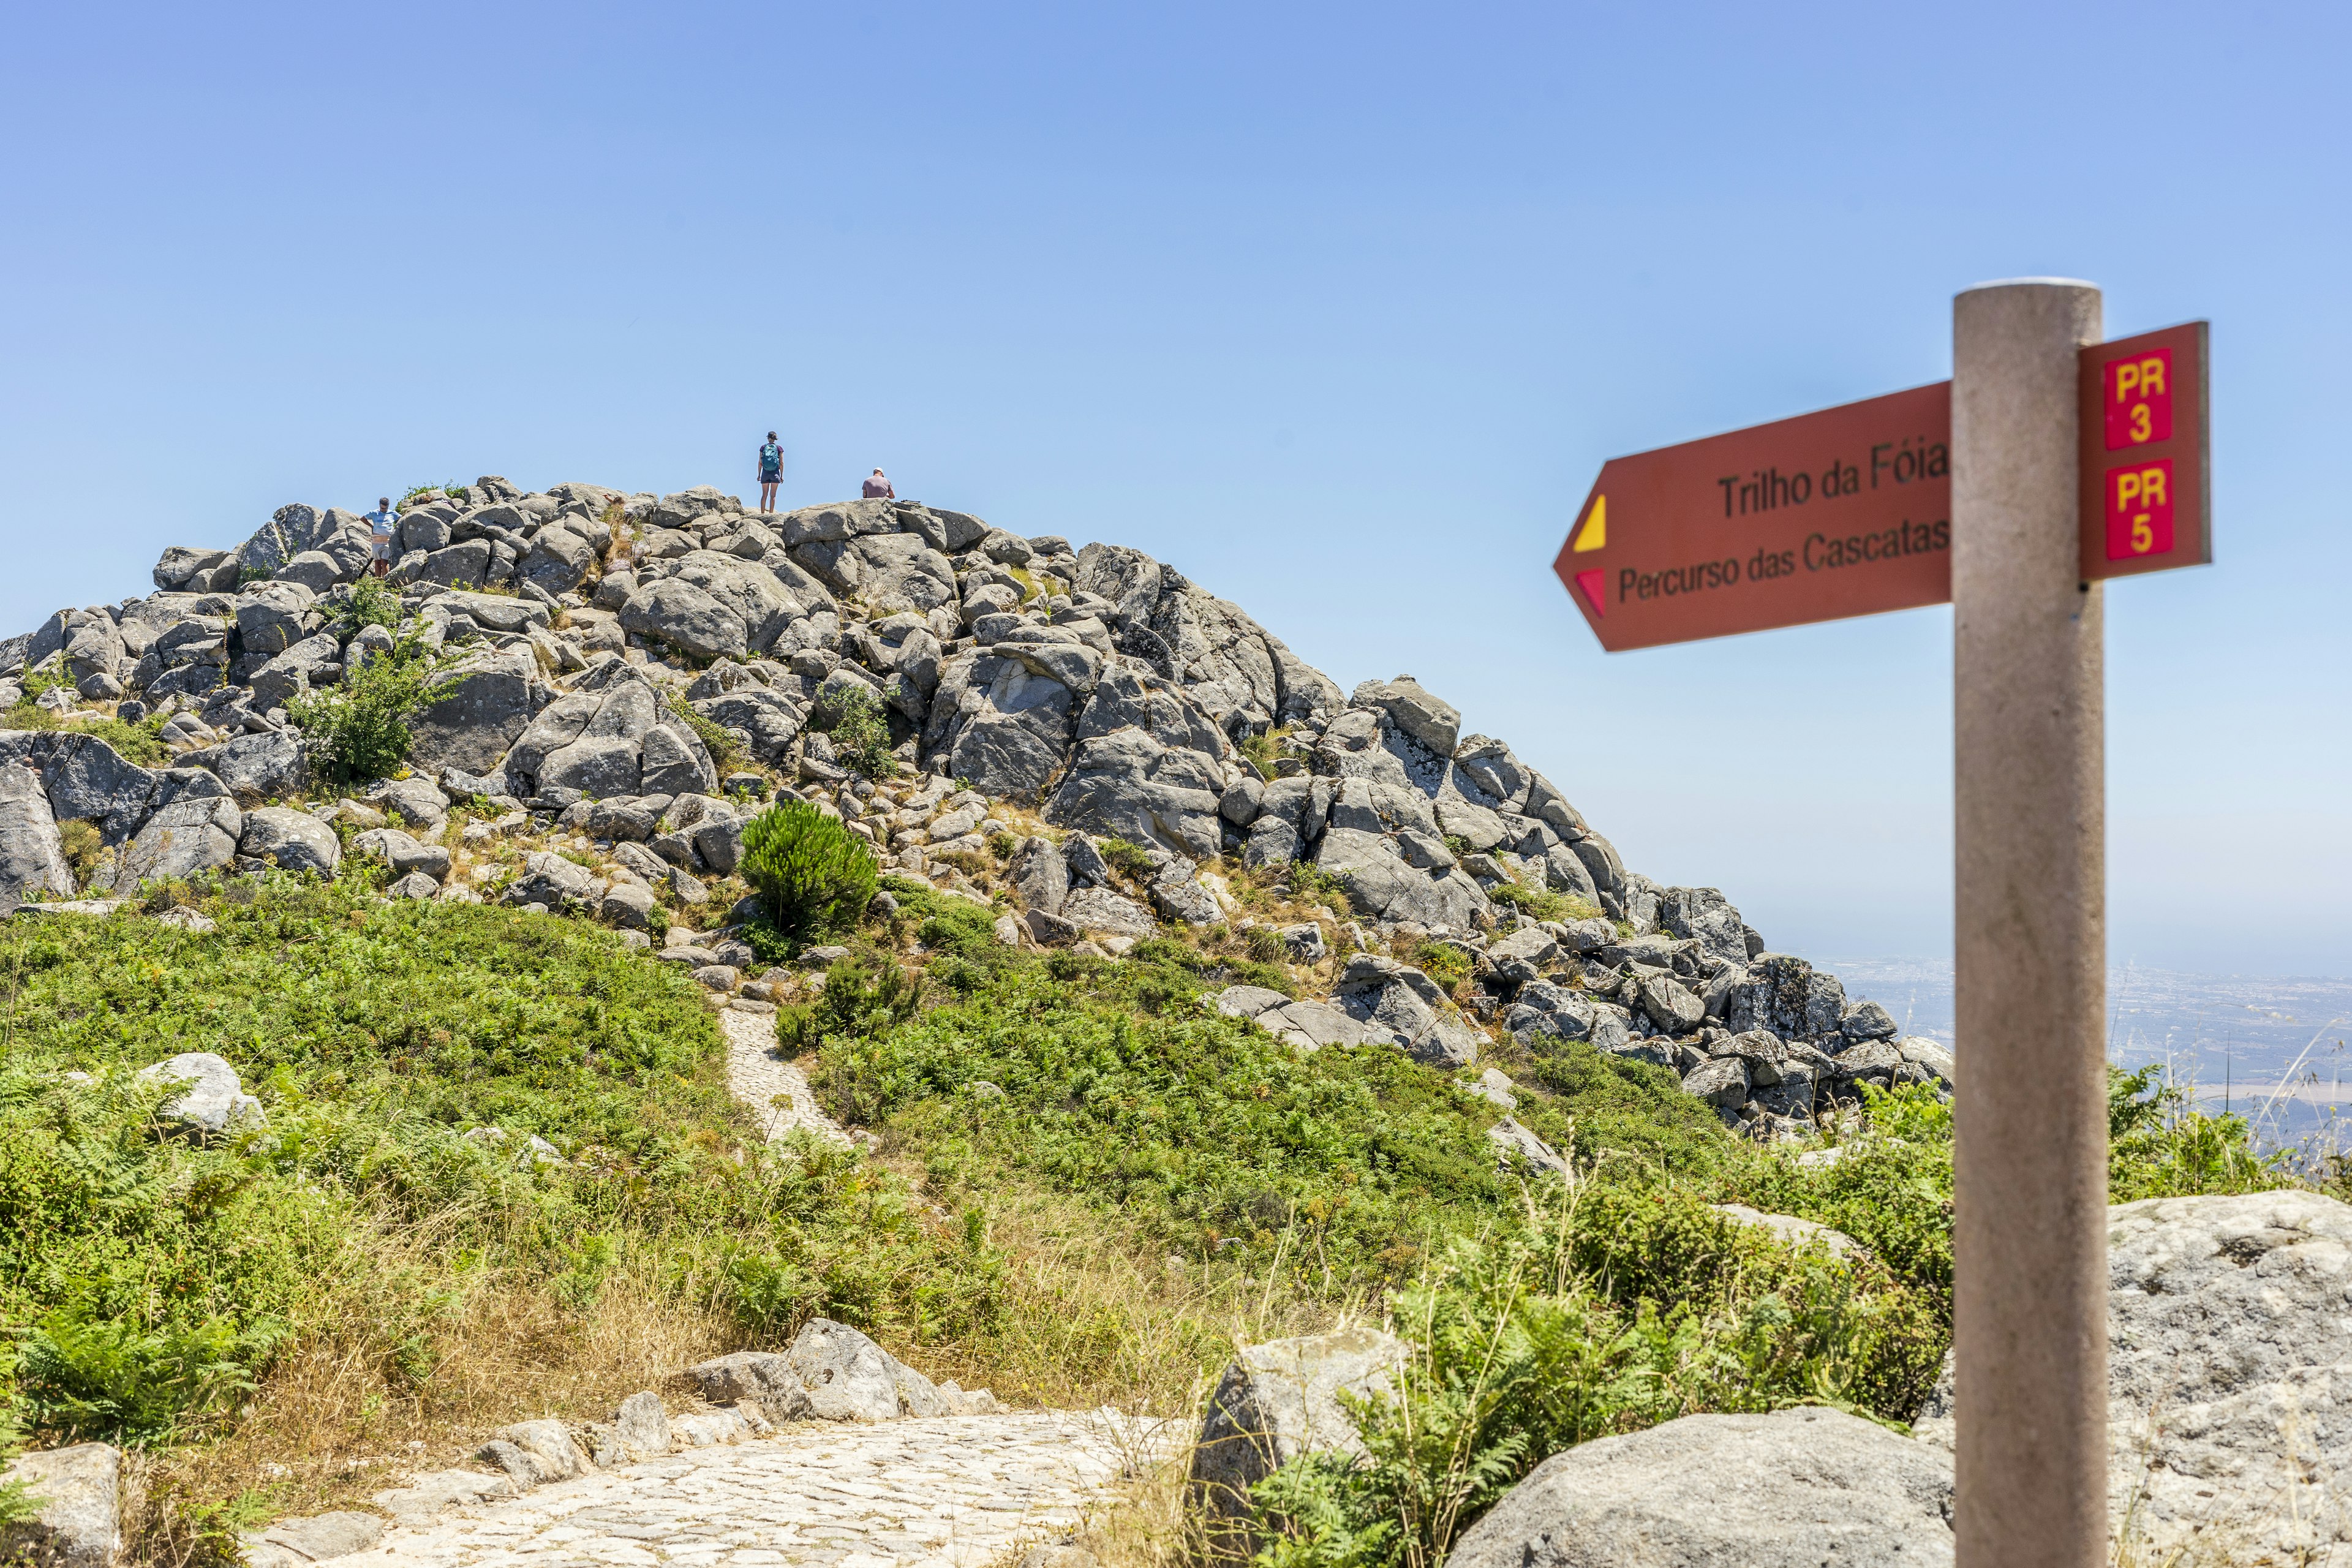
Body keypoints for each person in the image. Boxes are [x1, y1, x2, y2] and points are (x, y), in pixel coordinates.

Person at [364, 496, 398, 579]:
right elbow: (363, 518)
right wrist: (372, 527)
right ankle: (377, 581)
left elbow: (401, 519)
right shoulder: (374, 513)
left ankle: (385, 581)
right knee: (377, 562)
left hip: (387, 541)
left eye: (385, 508)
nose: (383, 510)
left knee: (385, 562)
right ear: (380, 505)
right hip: (376, 541)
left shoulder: (392, 514)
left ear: (388, 506)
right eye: (382, 508)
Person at [757, 432, 783, 512]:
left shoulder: (763, 447)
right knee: (773, 495)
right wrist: (781, 476)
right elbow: (781, 463)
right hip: (775, 473)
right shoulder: (779, 448)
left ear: (768, 438)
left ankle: (762, 514)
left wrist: (759, 475)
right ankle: (771, 513)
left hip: (765, 472)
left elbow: (760, 462)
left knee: (764, 495)